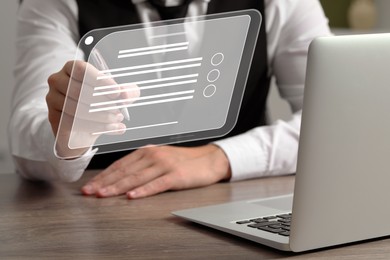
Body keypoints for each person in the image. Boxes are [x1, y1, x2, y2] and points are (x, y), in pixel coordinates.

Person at [8, 0, 331, 199]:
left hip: (239, 205)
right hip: (103, 211)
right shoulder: (55, 2)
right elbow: (26, 134)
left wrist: (221, 158)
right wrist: (65, 136)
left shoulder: (284, 2)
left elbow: (338, 121)